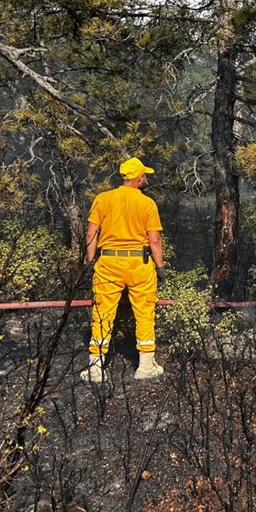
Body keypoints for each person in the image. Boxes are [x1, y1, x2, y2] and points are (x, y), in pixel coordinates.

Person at [81, 157, 167, 382]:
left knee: (102, 312)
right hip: (139, 264)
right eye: (144, 175)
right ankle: (145, 366)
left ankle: (95, 368)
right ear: (138, 178)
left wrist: (90, 262)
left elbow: (91, 234)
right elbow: (155, 239)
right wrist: (160, 267)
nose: (146, 178)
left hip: (108, 263)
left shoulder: (103, 199)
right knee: (144, 311)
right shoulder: (147, 204)